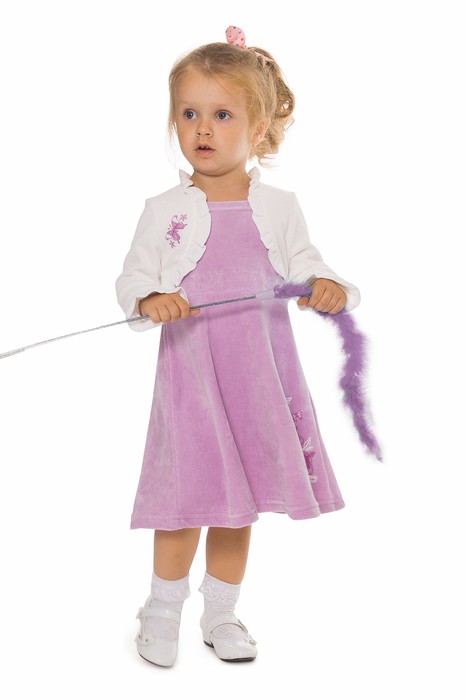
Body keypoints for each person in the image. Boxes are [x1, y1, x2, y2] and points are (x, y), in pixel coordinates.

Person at [115, 26, 360, 667]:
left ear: (259, 128)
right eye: (189, 113)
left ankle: (221, 611)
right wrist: (150, 298)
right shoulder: (163, 208)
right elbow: (133, 278)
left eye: (222, 115)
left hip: (258, 378)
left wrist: (327, 286)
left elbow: (308, 263)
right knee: (185, 497)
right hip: (192, 380)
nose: (202, 128)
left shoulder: (279, 206)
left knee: (237, 505)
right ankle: (162, 607)